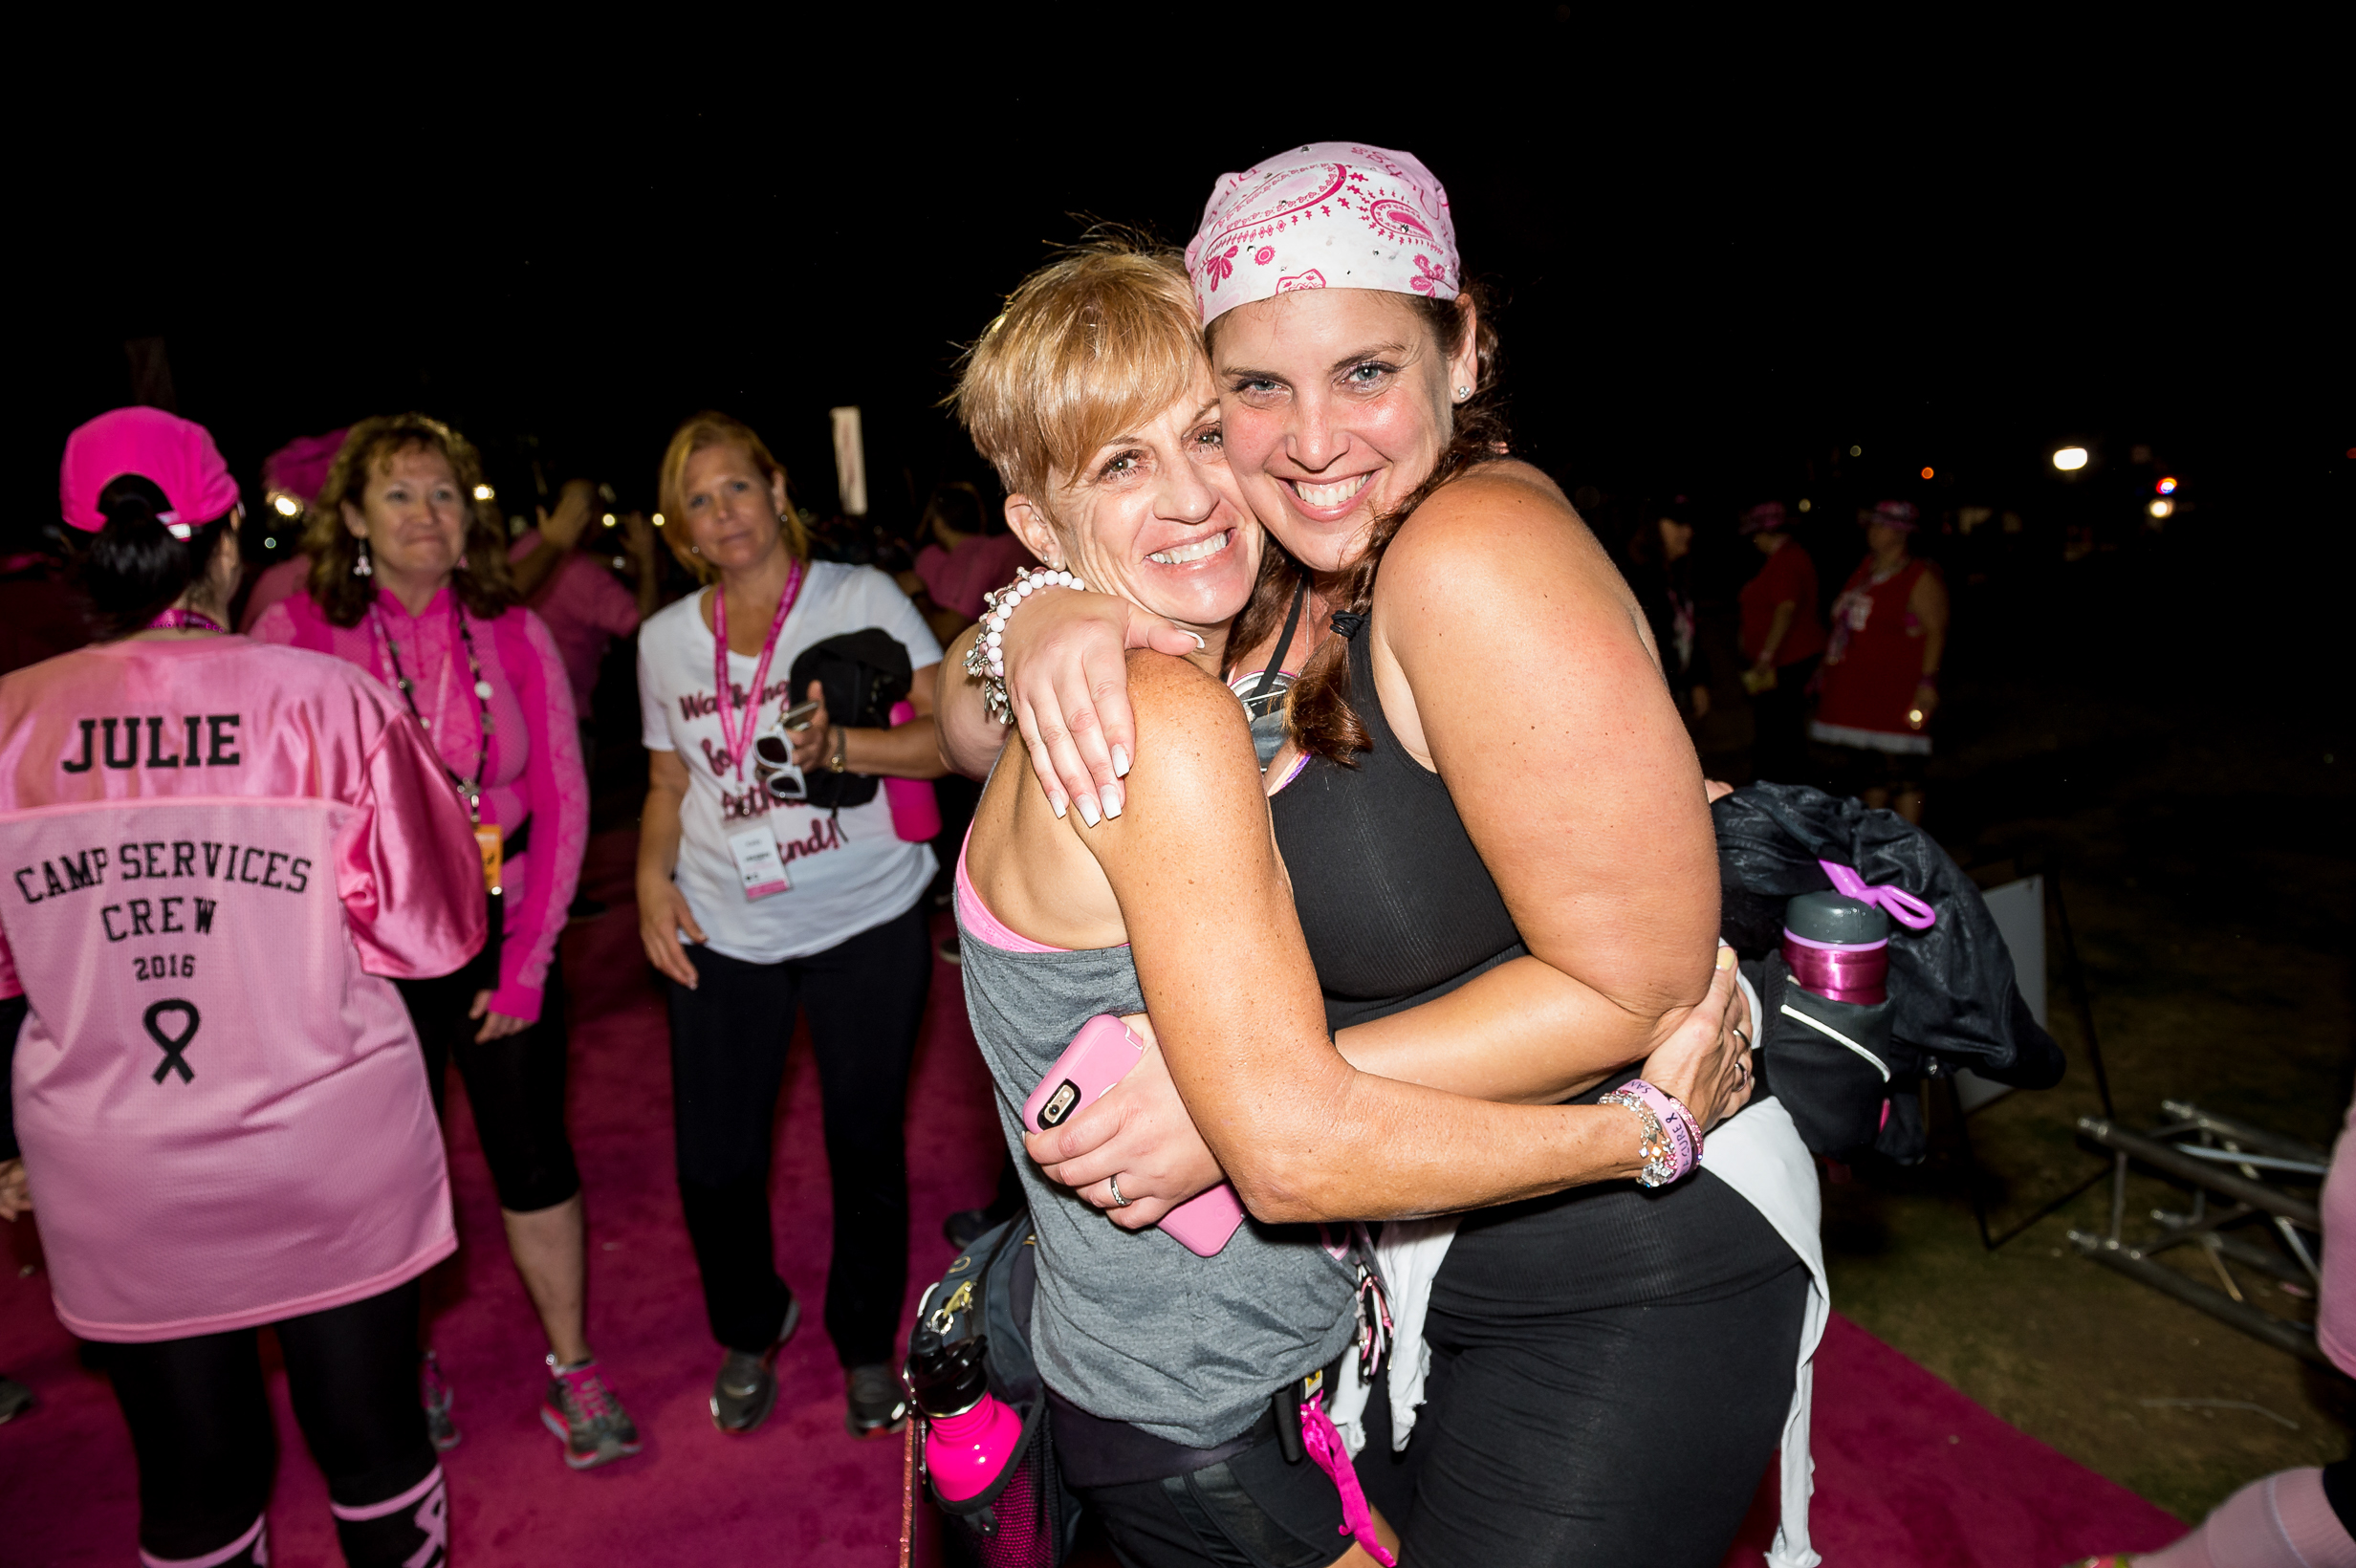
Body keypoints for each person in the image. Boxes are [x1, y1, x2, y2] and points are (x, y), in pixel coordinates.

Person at [941, 145, 1827, 1568]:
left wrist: (1239, 1099)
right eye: (1254, 391)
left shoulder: (1467, 550)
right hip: (1400, 1251)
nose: (1307, 441)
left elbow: (1646, 992)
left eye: (1364, 372)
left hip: (1616, 1257)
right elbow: (971, 719)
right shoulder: (1276, 581)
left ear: (1463, 350)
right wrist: (1029, 620)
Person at [0, 405, 482, 1567]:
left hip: (118, 1168)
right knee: (376, 1449)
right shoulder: (334, 702)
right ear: (226, 542)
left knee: (193, 1487)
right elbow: (436, 931)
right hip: (328, 1145)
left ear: (77, 555)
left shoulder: (9, 726)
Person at [249, 414, 633, 1470]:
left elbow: (562, 799)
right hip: (360, 949)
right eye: (400, 494)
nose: (427, 514)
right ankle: (402, 1358)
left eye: (445, 495)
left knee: (534, 1153)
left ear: (471, 520)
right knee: (383, 1169)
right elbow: (272, 815)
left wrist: (527, 967)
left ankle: (573, 1367)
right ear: (353, 519)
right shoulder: (294, 634)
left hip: (502, 930)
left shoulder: (514, 630)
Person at [633, 412, 949, 1438]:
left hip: (867, 914)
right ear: (680, 527)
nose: (723, 512)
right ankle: (752, 1319)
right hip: (725, 923)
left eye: (737, 486)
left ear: (776, 490)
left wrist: (845, 746)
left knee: (863, 1145)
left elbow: (948, 735)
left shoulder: (861, 598)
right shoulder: (664, 640)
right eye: (698, 500)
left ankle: (864, 1344)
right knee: (713, 1163)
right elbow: (667, 780)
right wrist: (648, 879)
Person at [1808, 498, 1949, 822]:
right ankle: (1875, 838)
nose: (1873, 531)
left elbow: (1936, 630)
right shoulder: (1866, 570)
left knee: (1902, 769)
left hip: (1895, 690)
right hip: (1863, 692)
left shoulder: (1918, 576)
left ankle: (1909, 840)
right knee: (1869, 770)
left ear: (1901, 533)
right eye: (1872, 524)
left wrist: (1927, 684)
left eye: (1882, 526)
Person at [1737, 499, 1827, 782]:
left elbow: (1785, 609)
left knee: (1779, 728)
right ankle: (1779, 783)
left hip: (1788, 659)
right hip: (1785, 658)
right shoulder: (1782, 558)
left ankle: (1777, 786)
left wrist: (1766, 656)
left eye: (1756, 534)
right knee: (1780, 727)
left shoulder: (1787, 560)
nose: (1754, 541)